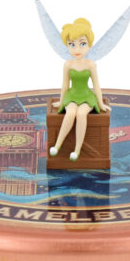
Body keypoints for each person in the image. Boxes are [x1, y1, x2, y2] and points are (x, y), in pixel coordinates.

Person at [49, 18, 111, 161]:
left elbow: (96, 85)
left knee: (81, 114)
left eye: (82, 44)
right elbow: (65, 85)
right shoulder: (68, 64)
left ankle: (77, 150)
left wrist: (100, 103)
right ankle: (57, 146)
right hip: (72, 95)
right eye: (72, 44)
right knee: (70, 112)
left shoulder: (91, 65)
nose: (77, 50)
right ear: (67, 46)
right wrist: (61, 101)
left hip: (87, 96)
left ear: (89, 45)